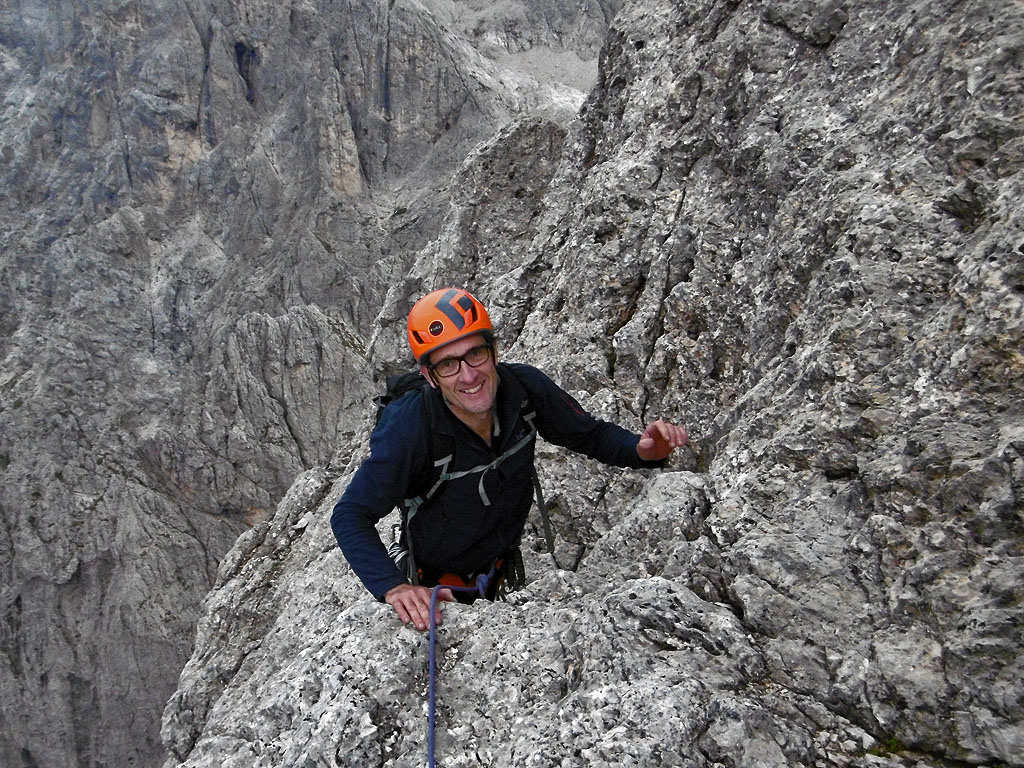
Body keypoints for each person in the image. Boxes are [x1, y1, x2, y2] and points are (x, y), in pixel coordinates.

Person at [331, 287, 688, 631]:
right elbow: (351, 514)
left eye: (476, 354)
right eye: (448, 364)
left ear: (494, 351)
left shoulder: (524, 390)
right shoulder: (410, 429)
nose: (469, 375)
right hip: (435, 585)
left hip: (499, 569)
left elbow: (589, 435)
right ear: (430, 376)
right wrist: (394, 587)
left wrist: (642, 450)